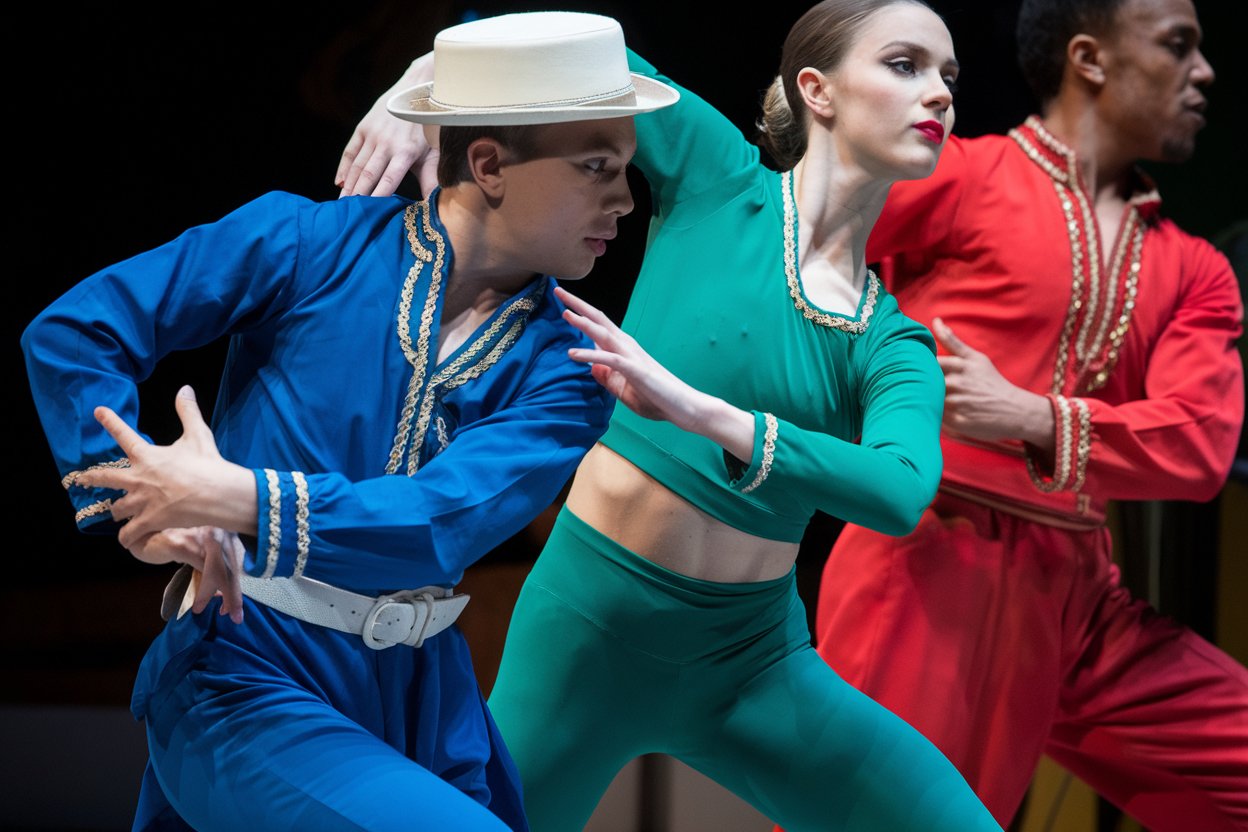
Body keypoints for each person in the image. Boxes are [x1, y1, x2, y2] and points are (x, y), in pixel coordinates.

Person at [338, 1, 1001, 830]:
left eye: (949, 76)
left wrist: (706, 414)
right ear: (817, 91)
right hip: (588, 627)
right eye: (905, 64)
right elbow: (568, 55)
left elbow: (900, 491)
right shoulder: (721, 178)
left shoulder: (891, 343)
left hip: (752, 664)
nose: (939, 92)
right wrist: (420, 83)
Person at [21, 11, 679, 830]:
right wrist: (143, 496)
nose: (624, 198)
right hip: (245, 667)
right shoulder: (305, 244)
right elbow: (77, 331)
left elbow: (440, 521)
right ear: (489, 164)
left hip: (425, 704)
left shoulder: (570, 368)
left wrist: (234, 498)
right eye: (596, 167)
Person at [806, 0, 1248, 829]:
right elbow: (796, 253)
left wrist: (1035, 417)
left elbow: (1199, 446)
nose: (1205, 72)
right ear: (1091, 58)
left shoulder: (1194, 270)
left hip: (1081, 594)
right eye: (1180, 46)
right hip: (929, 562)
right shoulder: (963, 175)